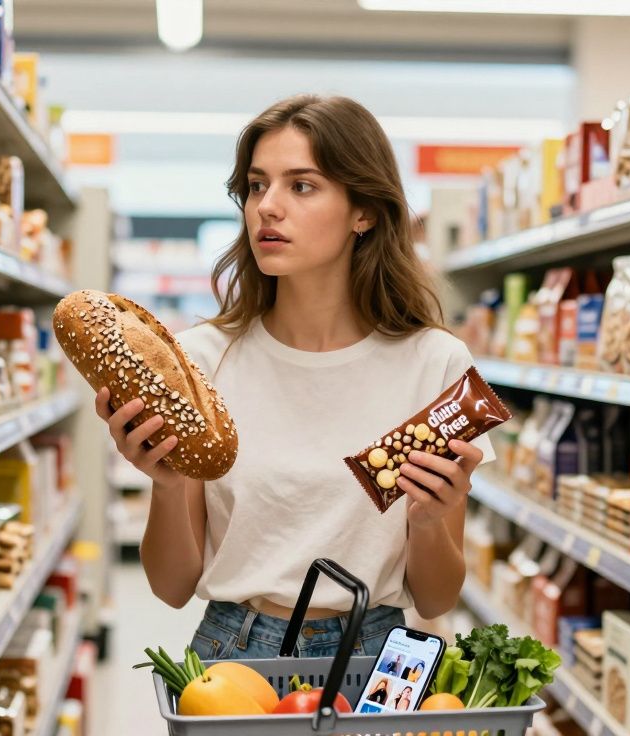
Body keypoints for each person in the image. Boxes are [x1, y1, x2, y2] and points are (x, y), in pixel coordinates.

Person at [94, 94, 492, 662]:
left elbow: (436, 593)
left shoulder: (436, 366)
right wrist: (166, 483)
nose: (267, 208)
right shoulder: (200, 362)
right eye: (257, 186)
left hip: (375, 656)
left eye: (301, 186)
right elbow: (172, 586)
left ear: (365, 211)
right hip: (233, 653)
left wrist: (428, 522)